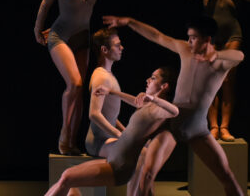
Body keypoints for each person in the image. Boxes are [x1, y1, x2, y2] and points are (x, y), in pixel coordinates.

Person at [103, 15, 245, 196]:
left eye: (193, 38)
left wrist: (217, 54)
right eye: (189, 37)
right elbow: (157, 36)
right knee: (147, 174)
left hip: (198, 129)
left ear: (207, 40)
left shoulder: (219, 63)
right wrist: (130, 22)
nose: (189, 41)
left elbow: (239, 55)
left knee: (227, 176)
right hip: (172, 125)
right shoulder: (185, 49)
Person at [45, 67, 179, 196]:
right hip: (113, 159)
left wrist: (153, 98)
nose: (148, 80)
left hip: (120, 167)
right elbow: (134, 101)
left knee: (68, 177)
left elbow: (175, 111)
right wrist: (110, 91)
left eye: (153, 78)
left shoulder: (159, 110)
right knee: (67, 177)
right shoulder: (148, 105)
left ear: (164, 86)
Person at [187, 0, 250, 141]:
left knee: (227, 79)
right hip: (209, 33)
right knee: (210, 81)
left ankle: (225, 126)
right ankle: (213, 125)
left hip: (231, 32)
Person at [34, 0, 100, 155]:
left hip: (83, 38)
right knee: (75, 83)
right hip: (60, 36)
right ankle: (64, 135)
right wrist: (38, 29)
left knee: (80, 91)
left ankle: (71, 141)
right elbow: (45, 4)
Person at [85, 28, 129, 157]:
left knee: (141, 145)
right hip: (99, 142)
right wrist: (120, 135)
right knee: (137, 152)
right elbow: (94, 114)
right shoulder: (101, 77)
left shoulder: (109, 76)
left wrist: (126, 133)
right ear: (104, 50)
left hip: (108, 139)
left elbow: (111, 116)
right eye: (117, 45)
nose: (122, 48)